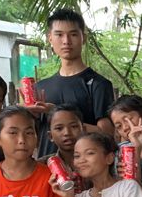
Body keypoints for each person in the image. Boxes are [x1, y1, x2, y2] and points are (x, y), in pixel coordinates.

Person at [33, 8, 115, 156]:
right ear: (50, 38)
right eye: (59, 34)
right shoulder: (40, 88)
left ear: (83, 38)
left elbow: (107, 134)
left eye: (73, 34)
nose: (66, 41)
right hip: (48, 170)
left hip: (85, 169)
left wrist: (58, 115)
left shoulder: (99, 84)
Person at [39, 104, 86, 188]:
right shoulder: (43, 165)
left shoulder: (97, 160)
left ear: (84, 130)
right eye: (59, 128)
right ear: (50, 136)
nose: (67, 133)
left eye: (73, 126)